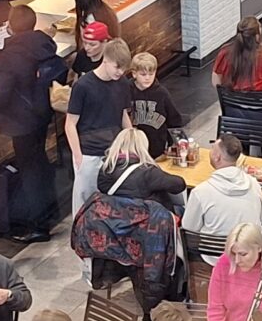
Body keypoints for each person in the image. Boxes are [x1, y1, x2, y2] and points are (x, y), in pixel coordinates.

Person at [0, 3, 61, 239]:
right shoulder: (44, 44)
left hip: (21, 120)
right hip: (43, 112)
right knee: (40, 161)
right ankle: (51, 211)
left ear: (11, 26)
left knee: (30, 169)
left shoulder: (12, 54)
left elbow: (3, 92)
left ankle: (38, 226)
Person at [65, 39, 135, 214]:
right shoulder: (82, 86)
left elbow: (123, 114)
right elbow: (70, 123)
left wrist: (132, 143)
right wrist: (78, 157)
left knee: (113, 201)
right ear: (106, 60)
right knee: (84, 203)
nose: (120, 72)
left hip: (115, 151)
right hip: (89, 153)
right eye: (117, 67)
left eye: (123, 69)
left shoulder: (122, 84)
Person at [182, 136, 261, 244]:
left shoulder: (201, 192)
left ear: (217, 157)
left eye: (212, 148)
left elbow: (188, 228)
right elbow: (260, 219)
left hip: (212, 256)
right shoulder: (254, 185)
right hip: (249, 253)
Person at [97, 127, 188, 218]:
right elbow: (179, 185)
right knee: (182, 209)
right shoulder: (148, 172)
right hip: (146, 219)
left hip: (119, 218)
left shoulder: (106, 168)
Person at [123, 52, 185, 156]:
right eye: (143, 74)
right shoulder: (126, 91)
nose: (147, 78)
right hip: (133, 148)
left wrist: (174, 143)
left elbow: (174, 120)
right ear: (134, 73)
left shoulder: (161, 93)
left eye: (151, 74)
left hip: (157, 147)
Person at [212, 15, 262, 93]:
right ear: (257, 36)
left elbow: (216, 80)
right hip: (259, 103)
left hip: (233, 103)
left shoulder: (225, 51)